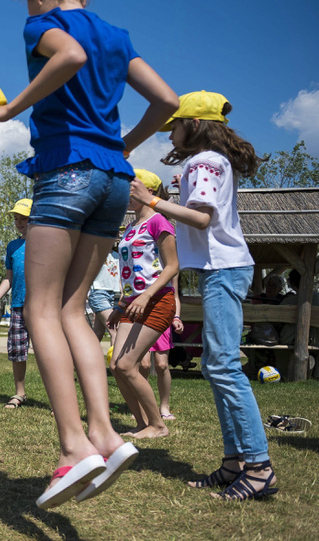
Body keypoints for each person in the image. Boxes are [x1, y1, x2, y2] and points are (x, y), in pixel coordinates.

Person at [0, 0, 179, 508]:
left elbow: (69, 58)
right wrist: (120, 146)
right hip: (112, 179)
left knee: (39, 308)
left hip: (66, 173)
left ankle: (73, 447)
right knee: (71, 309)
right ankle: (107, 436)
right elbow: (167, 101)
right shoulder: (116, 34)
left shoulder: (44, 24)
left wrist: (7, 110)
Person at [131, 90, 277, 501]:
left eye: (174, 126)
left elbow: (202, 218)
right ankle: (235, 463)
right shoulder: (210, 162)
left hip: (223, 270)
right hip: (221, 270)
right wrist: (177, 194)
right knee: (216, 365)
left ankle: (259, 467)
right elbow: (200, 215)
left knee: (225, 366)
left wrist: (154, 200)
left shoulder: (205, 160)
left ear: (193, 125)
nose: (170, 135)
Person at [107, 169, 179, 439]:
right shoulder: (130, 227)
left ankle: (158, 425)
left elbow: (172, 267)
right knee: (116, 367)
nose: (126, 194)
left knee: (127, 365)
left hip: (157, 301)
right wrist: (120, 305)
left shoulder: (160, 221)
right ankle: (141, 423)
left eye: (130, 188)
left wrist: (147, 295)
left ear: (147, 191)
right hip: (130, 304)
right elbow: (131, 272)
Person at [0, 199, 32, 409]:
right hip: (18, 305)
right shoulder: (13, 246)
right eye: (16, 218)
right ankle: (20, 393)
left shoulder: (46, 243)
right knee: (18, 351)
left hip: (42, 308)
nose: (19, 222)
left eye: (23, 218)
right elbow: (8, 278)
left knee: (48, 354)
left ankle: (58, 399)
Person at [138, 290, 183, 421]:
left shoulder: (169, 269)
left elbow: (175, 295)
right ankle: (143, 407)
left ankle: (164, 407)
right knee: (144, 365)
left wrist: (176, 317)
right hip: (141, 317)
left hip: (162, 315)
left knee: (162, 365)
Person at [87, 241, 121, 343]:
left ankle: (84, 358)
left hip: (114, 294)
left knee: (98, 333)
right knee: (115, 329)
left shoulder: (118, 256)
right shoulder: (95, 253)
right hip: (99, 293)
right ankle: (115, 359)